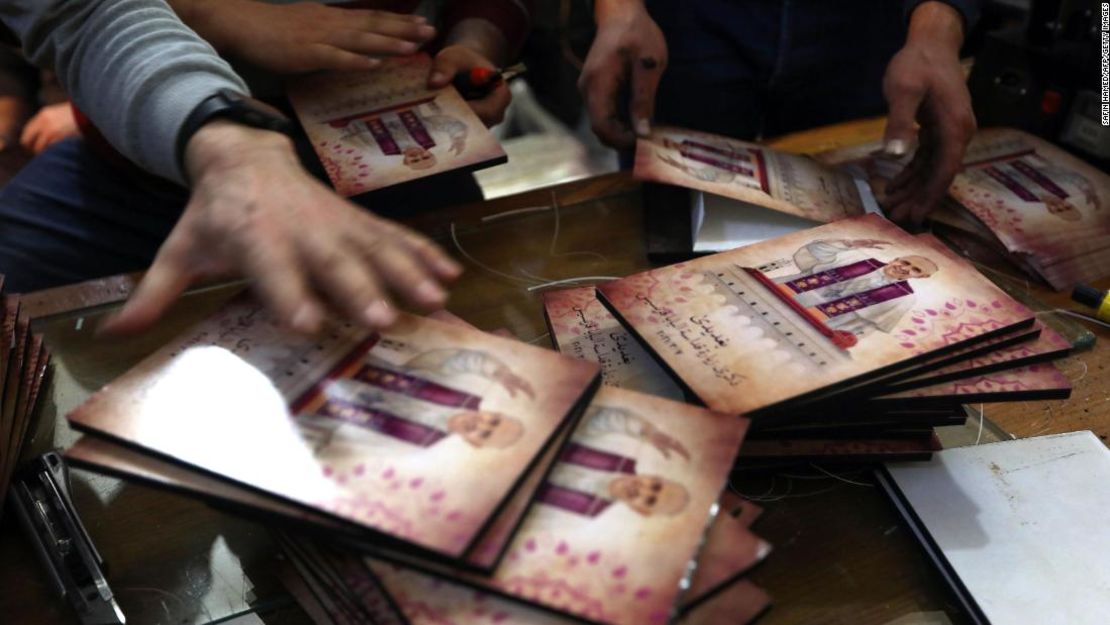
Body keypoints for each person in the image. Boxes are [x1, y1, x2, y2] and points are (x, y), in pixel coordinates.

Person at [0, 0, 531, 335]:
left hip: (390, 166)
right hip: (120, 174)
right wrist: (209, 14)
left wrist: (475, 40)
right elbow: (82, 12)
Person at [578, 0, 981, 225]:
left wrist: (936, 29)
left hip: (864, 25)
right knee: (666, 226)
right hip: (683, 20)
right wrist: (618, 9)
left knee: (858, 225)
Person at [536, 405, 691, 518]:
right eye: (655, 485)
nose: (642, 489)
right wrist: (650, 432)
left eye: (650, 500)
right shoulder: (621, 447)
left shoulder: (581, 518)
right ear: (652, 475)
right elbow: (598, 418)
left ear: (640, 511)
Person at [773, 239, 939, 338]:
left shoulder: (903, 298)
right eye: (905, 262)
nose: (905, 268)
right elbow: (809, 255)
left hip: (808, 324)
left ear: (921, 277)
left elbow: (866, 328)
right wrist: (846, 243)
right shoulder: (856, 257)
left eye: (916, 270)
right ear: (896, 259)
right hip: (778, 295)